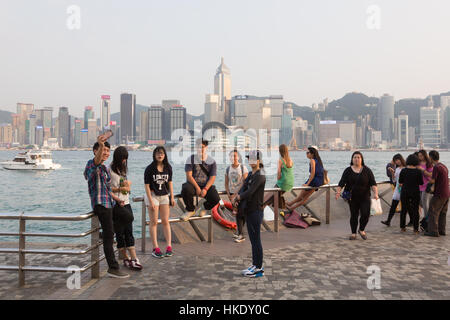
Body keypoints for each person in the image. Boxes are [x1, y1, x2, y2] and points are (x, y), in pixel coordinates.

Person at [83, 135, 129, 278]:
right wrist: (101, 143)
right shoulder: (92, 164)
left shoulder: (104, 168)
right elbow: (96, 162)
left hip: (109, 203)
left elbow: (107, 189)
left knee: (127, 216)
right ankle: (113, 268)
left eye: (108, 151)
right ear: (96, 151)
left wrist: (117, 199)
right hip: (100, 204)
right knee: (109, 238)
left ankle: (105, 233)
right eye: (103, 150)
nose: (106, 153)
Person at [233, 150, 266, 278]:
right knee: (253, 240)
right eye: (249, 159)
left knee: (256, 240)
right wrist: (237, 196)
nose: (251, 161)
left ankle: (259, 268)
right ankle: (255, 264)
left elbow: (250, 192)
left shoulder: (260, 175)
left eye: (253, 159)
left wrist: (239, 197)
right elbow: (244, 187)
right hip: (249, 210)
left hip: (256, 211)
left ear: (258, 160)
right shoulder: (252, 174)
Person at [109, 146, 142, 270]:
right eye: (122, 158)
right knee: (120, 232)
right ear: (117, 158)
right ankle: (128, 258)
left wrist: (127, 187)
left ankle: (131, 258)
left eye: (125, 159)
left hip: (126, 202)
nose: (124, 161)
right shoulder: (110, 170)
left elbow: (125, 187)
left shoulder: (121, 169)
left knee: (129, 230)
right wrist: (120, 191)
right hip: (116, 204)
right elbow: (107, 189)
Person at [336, 151, 379, 240]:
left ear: (362, 159)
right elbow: (341, 183)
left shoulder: (367, 170)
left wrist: (376, 194)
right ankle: (353, 233)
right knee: (354, 215)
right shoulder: (348, 170)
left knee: (366, 214)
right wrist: (338, 192)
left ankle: (361, 229)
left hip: (365, 196)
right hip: (352, 197)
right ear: (352, 159)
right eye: (355, 157)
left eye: (358, 157)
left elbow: (373, 183)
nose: (356, 159)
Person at [144, 146, 175, 258]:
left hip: (164, 196)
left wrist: (172, 196)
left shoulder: (168, 167)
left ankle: (168, 246)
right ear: (154, 155)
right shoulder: (149, 169)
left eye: (161, 153)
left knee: (166, 221)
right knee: (154, 222)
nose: (160, 155)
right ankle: (155, 248)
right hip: (153, 196)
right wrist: (150, 200)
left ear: (165, 155)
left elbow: (170, 182)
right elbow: (146, 186)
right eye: (157, 153)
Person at [180, 139, 220, 221]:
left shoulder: (212, 161)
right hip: (193, 185)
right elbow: (189, 176)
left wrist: (205, 189)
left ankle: (204, 206)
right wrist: (197, 187)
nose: (200, 149)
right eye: (198, 147)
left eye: (202, 147)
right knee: (186, 189)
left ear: (206, 148)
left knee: (216, 198)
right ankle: (190, 210)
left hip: (205, 185)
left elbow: (212, 178)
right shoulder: (191, 159)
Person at [286, 147, 323, 212]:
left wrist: (307, 183)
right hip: (319, 181)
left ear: (312, 154)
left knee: (301, 197)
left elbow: (312, 173)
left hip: (314, 181)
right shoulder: (318, 161)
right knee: (305, 198)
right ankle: (291, 206)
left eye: (307, 153)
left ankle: (290, 205)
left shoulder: (312, 160)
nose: (306, 154)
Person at [225, 149, 248, 243]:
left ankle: (241, 234)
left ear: (238, 157)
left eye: (234, 156)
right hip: (231, 195)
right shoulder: (228, 169)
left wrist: (236, 194)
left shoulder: (243, 168)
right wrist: (228, 194)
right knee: (237, 213)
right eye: (231, 156)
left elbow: (244, 183)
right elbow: (226, 183)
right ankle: (240, 233)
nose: (233, 158)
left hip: (240, 194)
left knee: (240, 213)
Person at [424, 150, 449, 237]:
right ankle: (442, 230)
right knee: (442, 212)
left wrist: (426, 183)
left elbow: (433, 180)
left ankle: (433, 231)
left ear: (431, 157)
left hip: (439, 193)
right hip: (446, 193)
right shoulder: (444, 166)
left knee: (433, 211)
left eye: (429, 157)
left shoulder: (436, 167)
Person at [263, 144, 294, 209]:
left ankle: (262, 207)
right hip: (291, 182)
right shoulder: (291, 160)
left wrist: (278, 180)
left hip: (284, 182)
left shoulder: (281, 160)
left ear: (280, 151)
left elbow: (279, 173)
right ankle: (264, 206)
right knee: (274, 195)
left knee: (270, 196)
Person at [398, 154, 423, 234]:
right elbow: (421, 182)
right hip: (415, 192)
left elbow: (400, 181)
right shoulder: (418, 171)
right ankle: (415, 229)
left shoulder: (403, 170)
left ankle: (402, 227)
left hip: (405, 191)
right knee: (415, 210)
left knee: (404, 210)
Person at [381, 154, 406, 226]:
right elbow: (394, 180)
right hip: (398, 189)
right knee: (393, 206)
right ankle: (388, 221)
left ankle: (408, 222)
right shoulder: (397, 169)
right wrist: (392, 173)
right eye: (395, 161)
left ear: (401, 159)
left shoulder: (405, 168)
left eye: (398, 160)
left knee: (406, 206)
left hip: (404, 189)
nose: (397, 162)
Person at [417, 150, 434, 229]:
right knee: (420, 203)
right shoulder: (418, 164)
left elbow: (431, 175)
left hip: (426, 187)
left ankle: (427, 223)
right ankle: (428, 218)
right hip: (419, 186)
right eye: (419, 156)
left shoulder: (429, 164)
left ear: (424, 156)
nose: (420, 157)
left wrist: (422, 170)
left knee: (425, 205)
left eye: (421, 155)